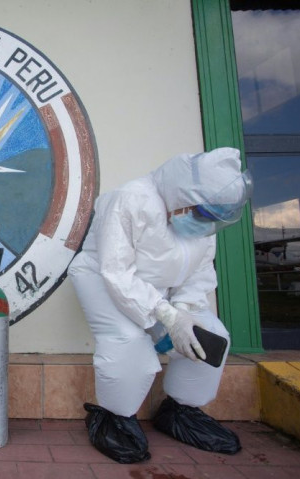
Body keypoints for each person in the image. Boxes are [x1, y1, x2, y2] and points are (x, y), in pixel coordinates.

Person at [68, 147, 252, 463]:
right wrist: (165, 314)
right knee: (128, 343)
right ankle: (115, 419)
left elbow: (199, 274)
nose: (206, 224)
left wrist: (184, 312)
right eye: (204, 214)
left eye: (213, 218)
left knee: (210, 334)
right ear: (184, 197)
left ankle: (181, 412)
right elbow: (116, 272)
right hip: (102, 280)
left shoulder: (203, 223)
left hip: (156, 290)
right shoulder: (130, 200)